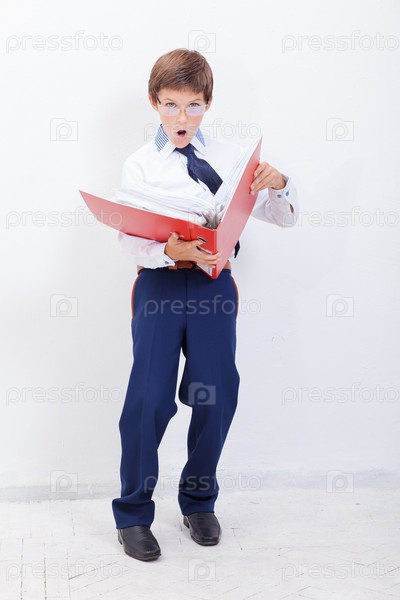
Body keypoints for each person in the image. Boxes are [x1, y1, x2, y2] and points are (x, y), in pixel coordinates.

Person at [111, 48, 299, 561]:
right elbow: (128, 238)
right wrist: (168, 251)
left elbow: (284, 219)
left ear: (208, 103)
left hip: (215, 287)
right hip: (160, 287)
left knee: (217, 395)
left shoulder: (234, 158)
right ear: (154, 102)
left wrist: (280, 185)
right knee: (149, 399)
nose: (182, 117)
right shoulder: (139, 164)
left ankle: (198, 502)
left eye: (193, 105)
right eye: (171, 104)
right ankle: (133, 513)